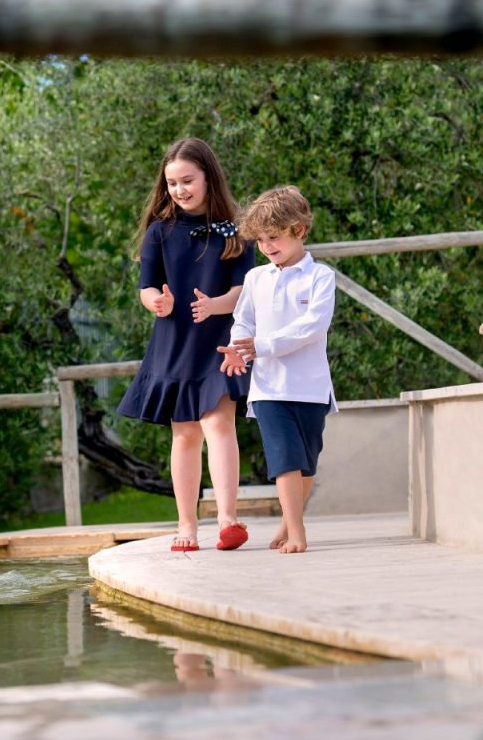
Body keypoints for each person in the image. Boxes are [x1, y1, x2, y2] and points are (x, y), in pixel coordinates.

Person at [117, 137, 256, 552]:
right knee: (185, 435)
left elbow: (244, 291)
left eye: (187, 180)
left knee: (218, 424)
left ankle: (228, 520)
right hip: (174, 342)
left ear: (208, 177)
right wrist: (156, 302)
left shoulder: (237, 230)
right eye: (172, 183)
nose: (179, 190)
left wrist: (215, 305)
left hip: (218, 343)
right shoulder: (160, 232)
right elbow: (145, 288)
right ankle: (187, 527)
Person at [218, 186, 337, 554]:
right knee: (284, 458)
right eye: (262, 240)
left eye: (275, 237)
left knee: (307, 461)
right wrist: (240, 349)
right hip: (269, 388)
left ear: (299, 230)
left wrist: (263, 345)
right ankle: (299, 533)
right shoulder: (256, 279)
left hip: (311, 387)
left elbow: (313, 327)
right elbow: (243, 321)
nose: (267, 246)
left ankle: (288, 522)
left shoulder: (321, 277)